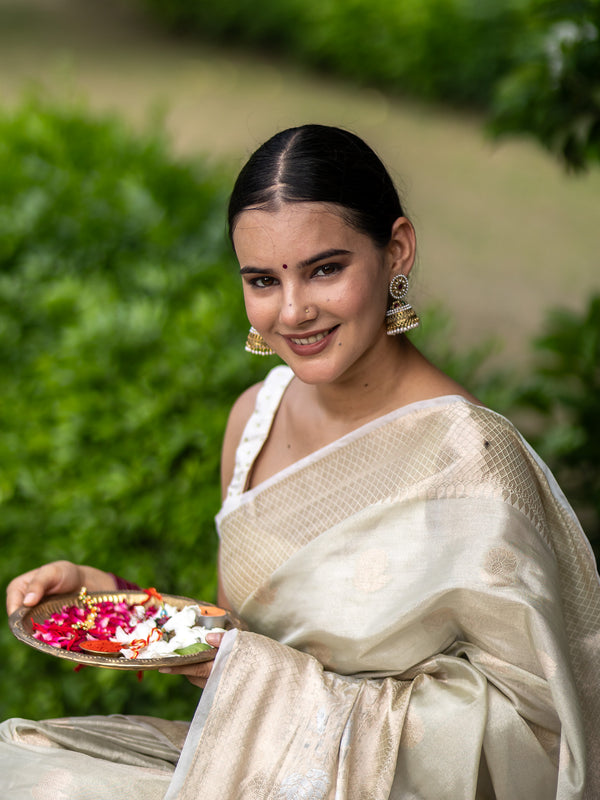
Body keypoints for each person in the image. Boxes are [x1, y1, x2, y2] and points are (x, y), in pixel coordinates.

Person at [4, 124, 600, 799]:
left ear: (396, 250)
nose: (293, 312)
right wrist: (112, 602)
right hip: (259, 766)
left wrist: (245, 671)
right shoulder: (254, 418)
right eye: (263, 280)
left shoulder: (470, 459)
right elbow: (246, 642)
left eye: (325, 269)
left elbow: (535, 734)